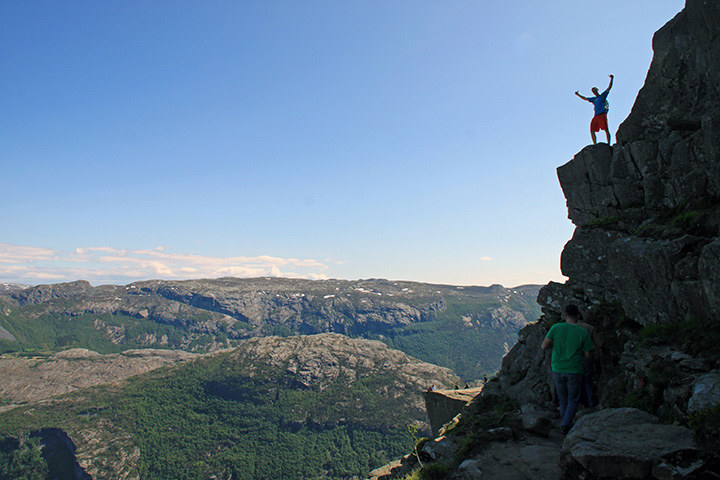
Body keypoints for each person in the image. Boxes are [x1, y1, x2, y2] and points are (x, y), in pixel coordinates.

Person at [541, 304, 594, 434]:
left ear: (565, 316)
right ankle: (565, 424)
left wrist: (557, 344)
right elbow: (588, 355)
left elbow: (544, 346)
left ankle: (564, 423)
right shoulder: (583, 332)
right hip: (574, 369)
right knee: (573, 399)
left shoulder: (556, 328)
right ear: (578, 316)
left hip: (558, 368)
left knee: (563, 399)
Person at [575, 74, 614, 144]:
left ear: (597, 90)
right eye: (593, 91)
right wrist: (578, 94)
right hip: (596, 116)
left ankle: (609, 143)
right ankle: (595, 144)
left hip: (602, 115)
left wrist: (612, 79)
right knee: (592, 129)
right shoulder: (594, 99)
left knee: (606, 129)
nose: (594, 91)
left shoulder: (602, 96)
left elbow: (609, 88)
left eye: (595, 90)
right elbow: (585, 98)